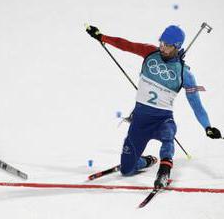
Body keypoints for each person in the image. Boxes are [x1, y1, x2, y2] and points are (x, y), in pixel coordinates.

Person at [86, 24, 222, 188]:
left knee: (168, 134)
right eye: (161, 43)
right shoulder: (150, 53)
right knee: (127, 170)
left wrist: (207, 126)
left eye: (167, 45)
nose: (162, 48)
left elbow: (197, 105)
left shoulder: (184, 74)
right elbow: (127, 45)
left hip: (162, 120)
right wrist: (102, 37)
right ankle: (146, 161)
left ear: (177, 47)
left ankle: (164, 171)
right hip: (139, 122)